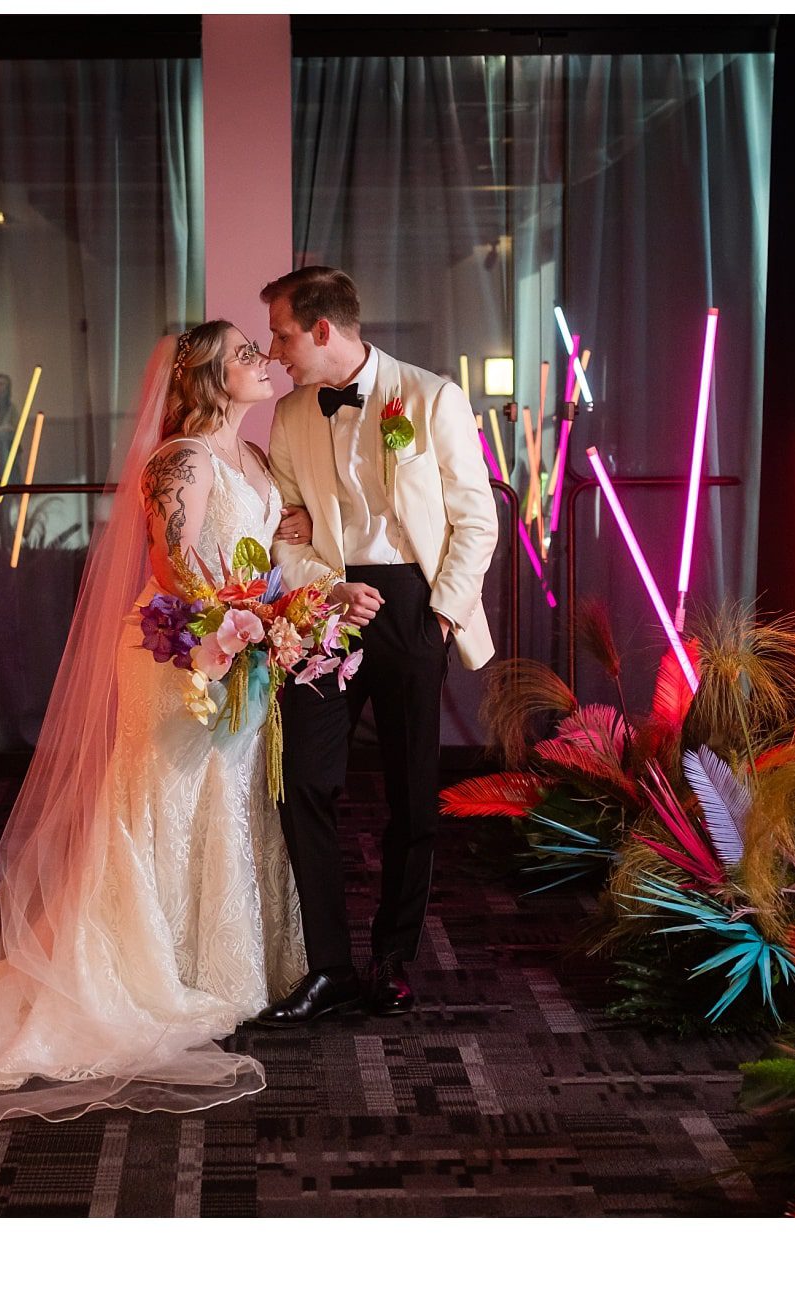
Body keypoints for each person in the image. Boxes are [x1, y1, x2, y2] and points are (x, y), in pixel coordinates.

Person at [0, 322, 310, 1137]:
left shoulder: (251, 459)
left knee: (228, 796)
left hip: (240, 646)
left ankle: (212, 962)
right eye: (245, 354)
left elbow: (271, 545)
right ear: (211, 377)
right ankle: (137, 969)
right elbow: (177, 562)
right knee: (159, 799)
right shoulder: (182, 459)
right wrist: (243, 618)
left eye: (259, 350)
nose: (262, 362)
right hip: (179, 646)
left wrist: (288, 608)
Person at [255, 266, 498, 1025]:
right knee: (305, 784)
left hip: (415, 609)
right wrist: (327, 586)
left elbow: (476, 519)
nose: (275, 350)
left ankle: (392, 958)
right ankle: (327, 966)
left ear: (323, 330)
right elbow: (285, 528)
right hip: (328, 604)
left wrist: (443, 617)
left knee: (411, 796)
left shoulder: (431, 398)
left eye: (283, 333)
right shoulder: (290, 415)